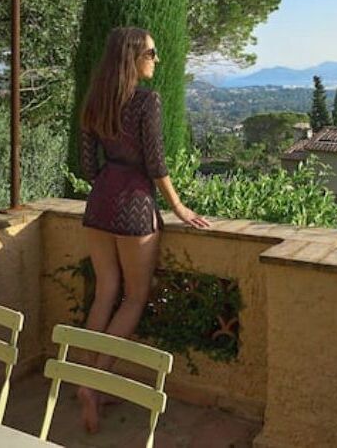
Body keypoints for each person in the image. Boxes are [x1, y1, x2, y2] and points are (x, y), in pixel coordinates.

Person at [75, 26, 210, 433]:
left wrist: (109, 180)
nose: (156, 59)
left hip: (99, 203)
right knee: (134, 299)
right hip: (134, 207)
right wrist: (180, 207)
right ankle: (93, 386)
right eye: (151, 52)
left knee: (105, 293)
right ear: (132, 57)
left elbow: (87, 165)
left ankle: (81, 378)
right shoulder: (146, 101)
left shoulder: (95, 101)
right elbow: (156, 163)